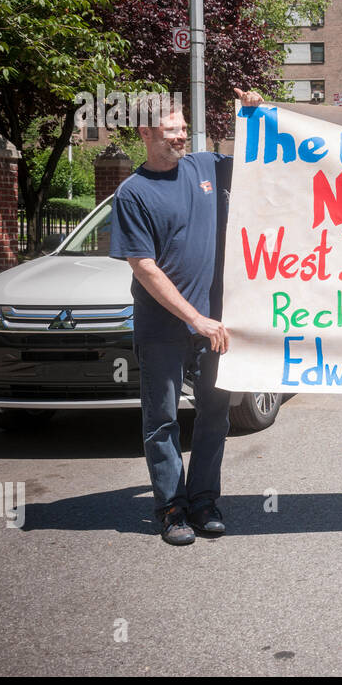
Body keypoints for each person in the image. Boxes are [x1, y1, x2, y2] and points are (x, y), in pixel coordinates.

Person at [110, 88, 262, 545]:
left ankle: (204, 500)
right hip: (164, 330)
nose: (180, 136)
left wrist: (253, 115)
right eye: (171, 129)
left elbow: (260, 167)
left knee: (215, 415)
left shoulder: (206, 168)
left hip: (217, 324)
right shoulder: (132, 193)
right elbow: (145, 268)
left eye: (182, 127)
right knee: (162, 421)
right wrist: (194, 318)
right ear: (145, 132)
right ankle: (172, 508)